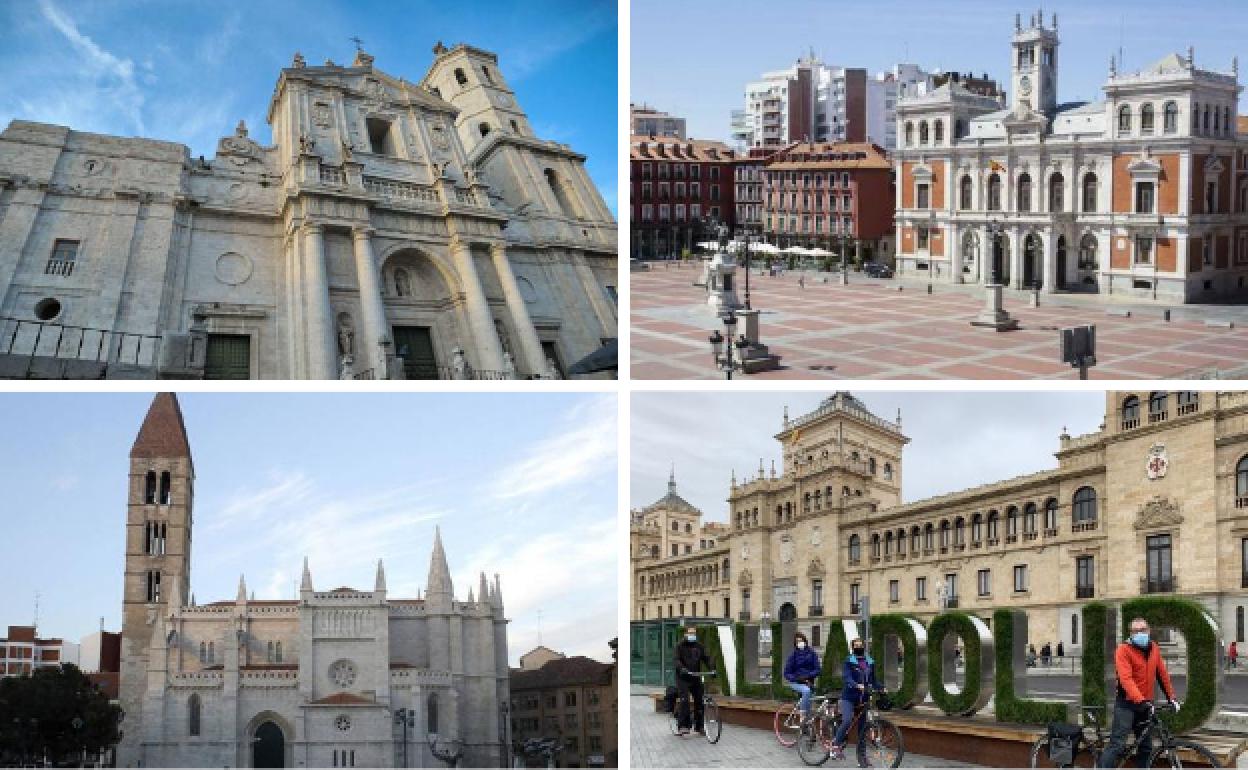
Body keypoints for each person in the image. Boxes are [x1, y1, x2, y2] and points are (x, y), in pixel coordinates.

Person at [1099, 617, 1180, 768]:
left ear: (1149, 631)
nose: (1139, 633)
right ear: (1130, 633)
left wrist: (1172, 697)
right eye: (1135, 631)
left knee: (1146, 747)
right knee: (1117, 744)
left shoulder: (1154, 647)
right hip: (1127, 705)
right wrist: (1140, 700)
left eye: (1142, 630)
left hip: (1145, 705)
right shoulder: (1123, 649)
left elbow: (1162, 674)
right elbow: (1126, 679)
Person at [829, 637, 884, 764]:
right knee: (847, 720)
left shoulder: (870, 662)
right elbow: (847, 677)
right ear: (852, 648)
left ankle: (862, 758)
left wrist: (881, 687)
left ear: (864, 647)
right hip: (849, 697)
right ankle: (835, 746)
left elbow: (873, 680)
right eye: (856, 645)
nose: (859, 647)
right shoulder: (849, 661)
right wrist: (856, 685)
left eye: (861, 645)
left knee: (862, 729)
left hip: (863, 699)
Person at [672, 626, 711, 736]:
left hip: (695, 676)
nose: (692, 635)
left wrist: (712, 669)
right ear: (685, 634)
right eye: (690, 633)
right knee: (684, 701)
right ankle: (683, 726)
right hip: (683, 678)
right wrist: (682, 668)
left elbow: (706, 658)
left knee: (700, 701)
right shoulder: (679, 646)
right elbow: (676, 659)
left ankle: (699, 726)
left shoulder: (699, 646)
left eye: (694, 633)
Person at [783, 631, 822, 724]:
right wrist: (796, 678)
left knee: (810, 704)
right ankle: (802, 716)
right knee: (806, 691)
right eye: (797, 642)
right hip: (796, 683)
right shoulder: (793, 655)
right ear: (795, 644)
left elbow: (818, 669)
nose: (800, 643)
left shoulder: (812, 653)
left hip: (809, 682)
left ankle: (808, 729)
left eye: (801, 641)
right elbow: (786, 673)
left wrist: (808, 675)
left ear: (805, 641)